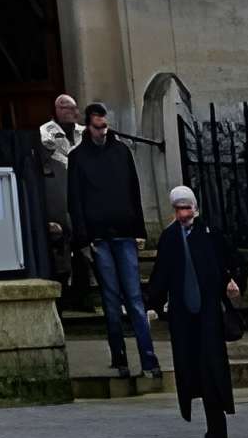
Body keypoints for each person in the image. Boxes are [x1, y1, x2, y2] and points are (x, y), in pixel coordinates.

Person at [146, 184, 242, 438]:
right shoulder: (170, 238)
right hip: (184, 315)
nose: (182, 213)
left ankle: (217, 429)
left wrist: (231, 281)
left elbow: (225, 262)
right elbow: (161, 273)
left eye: (186, 207)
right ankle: (212, 425)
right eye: (178, 208)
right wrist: (153, 303)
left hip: (208, 312)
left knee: (211, 368)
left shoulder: (210, 234)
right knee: (193, 368)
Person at [69, 102, 161, 380]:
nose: (102, 132)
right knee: (111, 298)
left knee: (134, 297)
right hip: (99, 234)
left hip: (122, 231)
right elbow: (75, 200)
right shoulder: (78, 157)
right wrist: (83, 238)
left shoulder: (121, 152)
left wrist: (139, 231)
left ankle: (148, 357)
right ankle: (119, 354)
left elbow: (134, 190)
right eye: (97, 127)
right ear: (88, 126)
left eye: (105, 126)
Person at [38, 93, 84, 295]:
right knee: (61, 243)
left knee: (83, 245)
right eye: (68, 108)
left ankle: (83, 291)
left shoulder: (83, 132)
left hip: (82, 193)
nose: (74, 112)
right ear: (58, 110)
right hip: (58, 192)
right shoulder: (46, 131)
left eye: (75, 108)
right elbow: (51, 155)